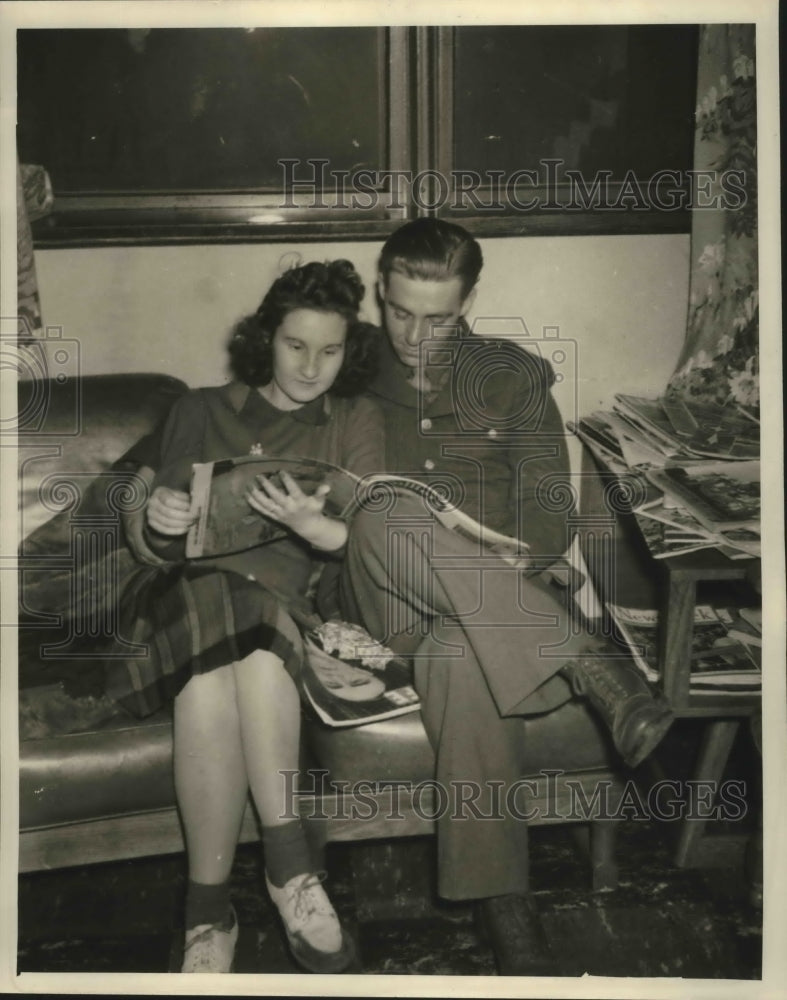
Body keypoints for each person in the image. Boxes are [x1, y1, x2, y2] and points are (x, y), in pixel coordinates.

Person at [314, 218, 674, 973]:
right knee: (383, 511)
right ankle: (587, 663)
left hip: (492, 612)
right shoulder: (338, 365)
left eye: (437, 317)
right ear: (379, 289)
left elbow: (549, 521)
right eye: (400, 312)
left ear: (471, 297)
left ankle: (501, 900)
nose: (414, 335)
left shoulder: (511, 376)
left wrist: (476, 556)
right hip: (384, 602)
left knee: (460, 651)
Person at [111, 259, 383, 974]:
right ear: (266, 339)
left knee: (220, 674)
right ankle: (292, 870)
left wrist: (317, 527)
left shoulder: (353, 420)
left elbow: (375, 536)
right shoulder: (199, 410)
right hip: (183, 602)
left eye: (330, 350)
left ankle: (206, 913)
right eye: (295, 345)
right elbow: (157, 543)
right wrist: (162, 516)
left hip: (280, 616)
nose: (311, 366)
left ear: (348, 351)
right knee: (241, 630)